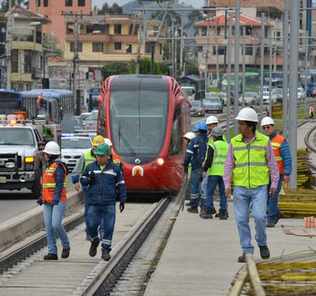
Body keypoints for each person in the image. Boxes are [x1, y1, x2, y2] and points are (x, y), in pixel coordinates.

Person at [224, 107, 279, 263]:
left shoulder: (264, 141)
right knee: (241, 219)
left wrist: (274, 182)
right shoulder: (234, 142)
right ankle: (247, 250)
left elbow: (272, 164)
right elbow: (228, 165)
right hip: (240, 187)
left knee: (260, 216)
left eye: (241, 124)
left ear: (250, 125)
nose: (239, 127)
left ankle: (262, 242)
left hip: (260, 186)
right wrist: (227, 184)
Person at [80, 143, 127, 261]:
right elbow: (83, 180)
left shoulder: (115, 169)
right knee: (90, 224)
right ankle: (94, 240)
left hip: (109, 202)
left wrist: (122, 199)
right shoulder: (91, 167)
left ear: (108, 156)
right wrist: (87, 179)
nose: (99, 158)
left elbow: (120, 184)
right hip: (94, 202)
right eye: (98, 156)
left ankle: (105, 249)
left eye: (102, 156)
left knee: (109, 227)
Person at [37, 141, 70, 260]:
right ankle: (52, 252)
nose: (44, 156)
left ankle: (66, 245)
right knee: (48, 226)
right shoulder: (49, 167)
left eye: (45, 154)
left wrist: (55, 199)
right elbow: (46, 185)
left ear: (49, 155)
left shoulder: (59, 167)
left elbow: (59, 185)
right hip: (47, 201)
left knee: (56, 224)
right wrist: (42, 198)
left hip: (58, 200)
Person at [71, 135, 105, 238]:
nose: (97, 149)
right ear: (93, 146)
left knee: (103, 210)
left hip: (102, 189)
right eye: (96, 147)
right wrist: (76, 181)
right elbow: (77, 170)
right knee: (89, 212)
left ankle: (102, 231)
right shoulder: (85, 156)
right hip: (89, 189)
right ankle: (89, 231)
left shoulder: (106, 157)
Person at [261, 116, 292, 227]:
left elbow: (287, 158)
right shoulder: (262, 141)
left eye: (268, 127)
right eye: (263, 128)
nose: (266, 130)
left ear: (273, 127)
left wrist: (287, 173)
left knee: (273, 196)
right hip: (265, 174)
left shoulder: (280, 141)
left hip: (277, 175)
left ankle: (271, 219)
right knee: (265, 196)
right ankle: (276, 213)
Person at [201, 127, 229, 219]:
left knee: (209, 192)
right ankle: (223, 212)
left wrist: (205, 170)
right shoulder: (227, 145)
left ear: (214, 136)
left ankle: (209, 210)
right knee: (223, 192)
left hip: (214, 172)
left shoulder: (213, 145)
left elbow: (209, 160)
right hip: (224, 173)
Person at [183, 121, 208, 214]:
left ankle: (194, 206)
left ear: (198, 132)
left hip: (196, 167)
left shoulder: (194, 140)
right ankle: (204, 207)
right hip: (206, 168)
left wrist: (185, 166)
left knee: (194, 186)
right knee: (204, 187)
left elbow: (188, 155)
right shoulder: (208, 140)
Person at [201, 116, 220, 216]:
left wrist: (206, 165)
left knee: (206, 186)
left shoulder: (217, 137)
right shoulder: (212, 137)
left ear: (216, 125)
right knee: (211, 187)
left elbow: (213, 153)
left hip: (215, 167)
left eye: (210, 125)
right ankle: (215, 208)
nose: (209, 127)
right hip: (213, 167)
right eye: (208, 126)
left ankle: (210, 207)